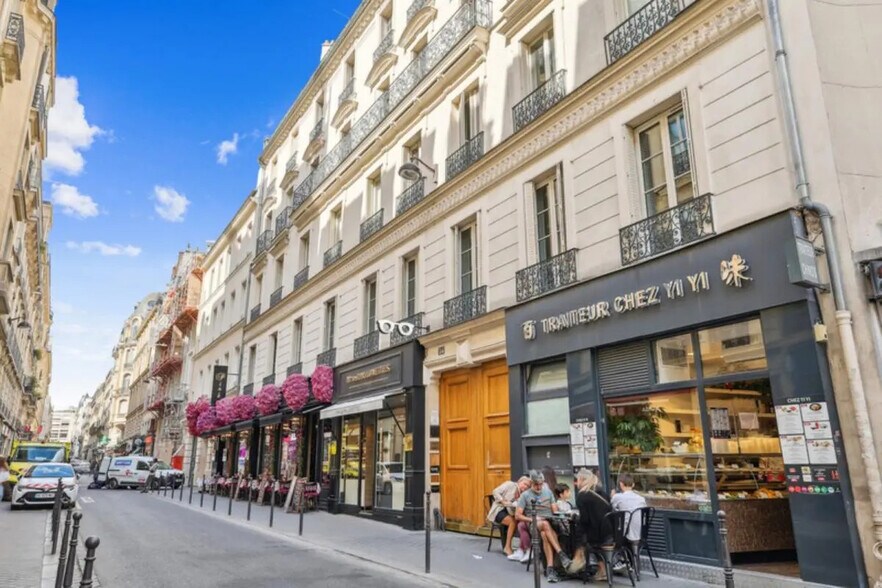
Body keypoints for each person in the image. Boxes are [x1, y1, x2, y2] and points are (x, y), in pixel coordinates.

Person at [515, 470, 571, 583]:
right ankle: (561, 553)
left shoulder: (548, 492)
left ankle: (550, 569)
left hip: (549, 522)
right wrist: (533, 518)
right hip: (534, 523)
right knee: (544, 525)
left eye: (541, 484)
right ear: (531, 483)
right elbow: (517, 515)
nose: (539, 487)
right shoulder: (525, 495)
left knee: (545, 534)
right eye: (536, 484)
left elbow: (554, 510)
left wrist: (562, 512)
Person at [574, 468, 613, 581]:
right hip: (612, 532)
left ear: (581, 479)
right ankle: (602, 569)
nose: (576, 483)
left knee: (582, 536)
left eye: (577, 480)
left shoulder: (582, 496)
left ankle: (597, 568)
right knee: (587, 535)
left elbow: (584, 520)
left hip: (598, 536)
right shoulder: (602, 492)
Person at [487, 476, 530, 558]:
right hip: (499, 510)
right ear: (519, 482)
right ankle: (507, 547)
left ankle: (522, 548)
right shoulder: (510, 484)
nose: (525, 487)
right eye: (524, 484)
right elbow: (495, 491)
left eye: (528, 486)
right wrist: (502, 500)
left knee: (519, 522)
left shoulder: (522, 494)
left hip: (509, 512)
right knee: (512, 522)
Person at [611, 473, 647, 543]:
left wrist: (612, 496)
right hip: (641, 531)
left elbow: (613, 508)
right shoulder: (641, 498)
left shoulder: (617, 497)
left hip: (625, 532)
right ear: (633, 485)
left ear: (621, 484)